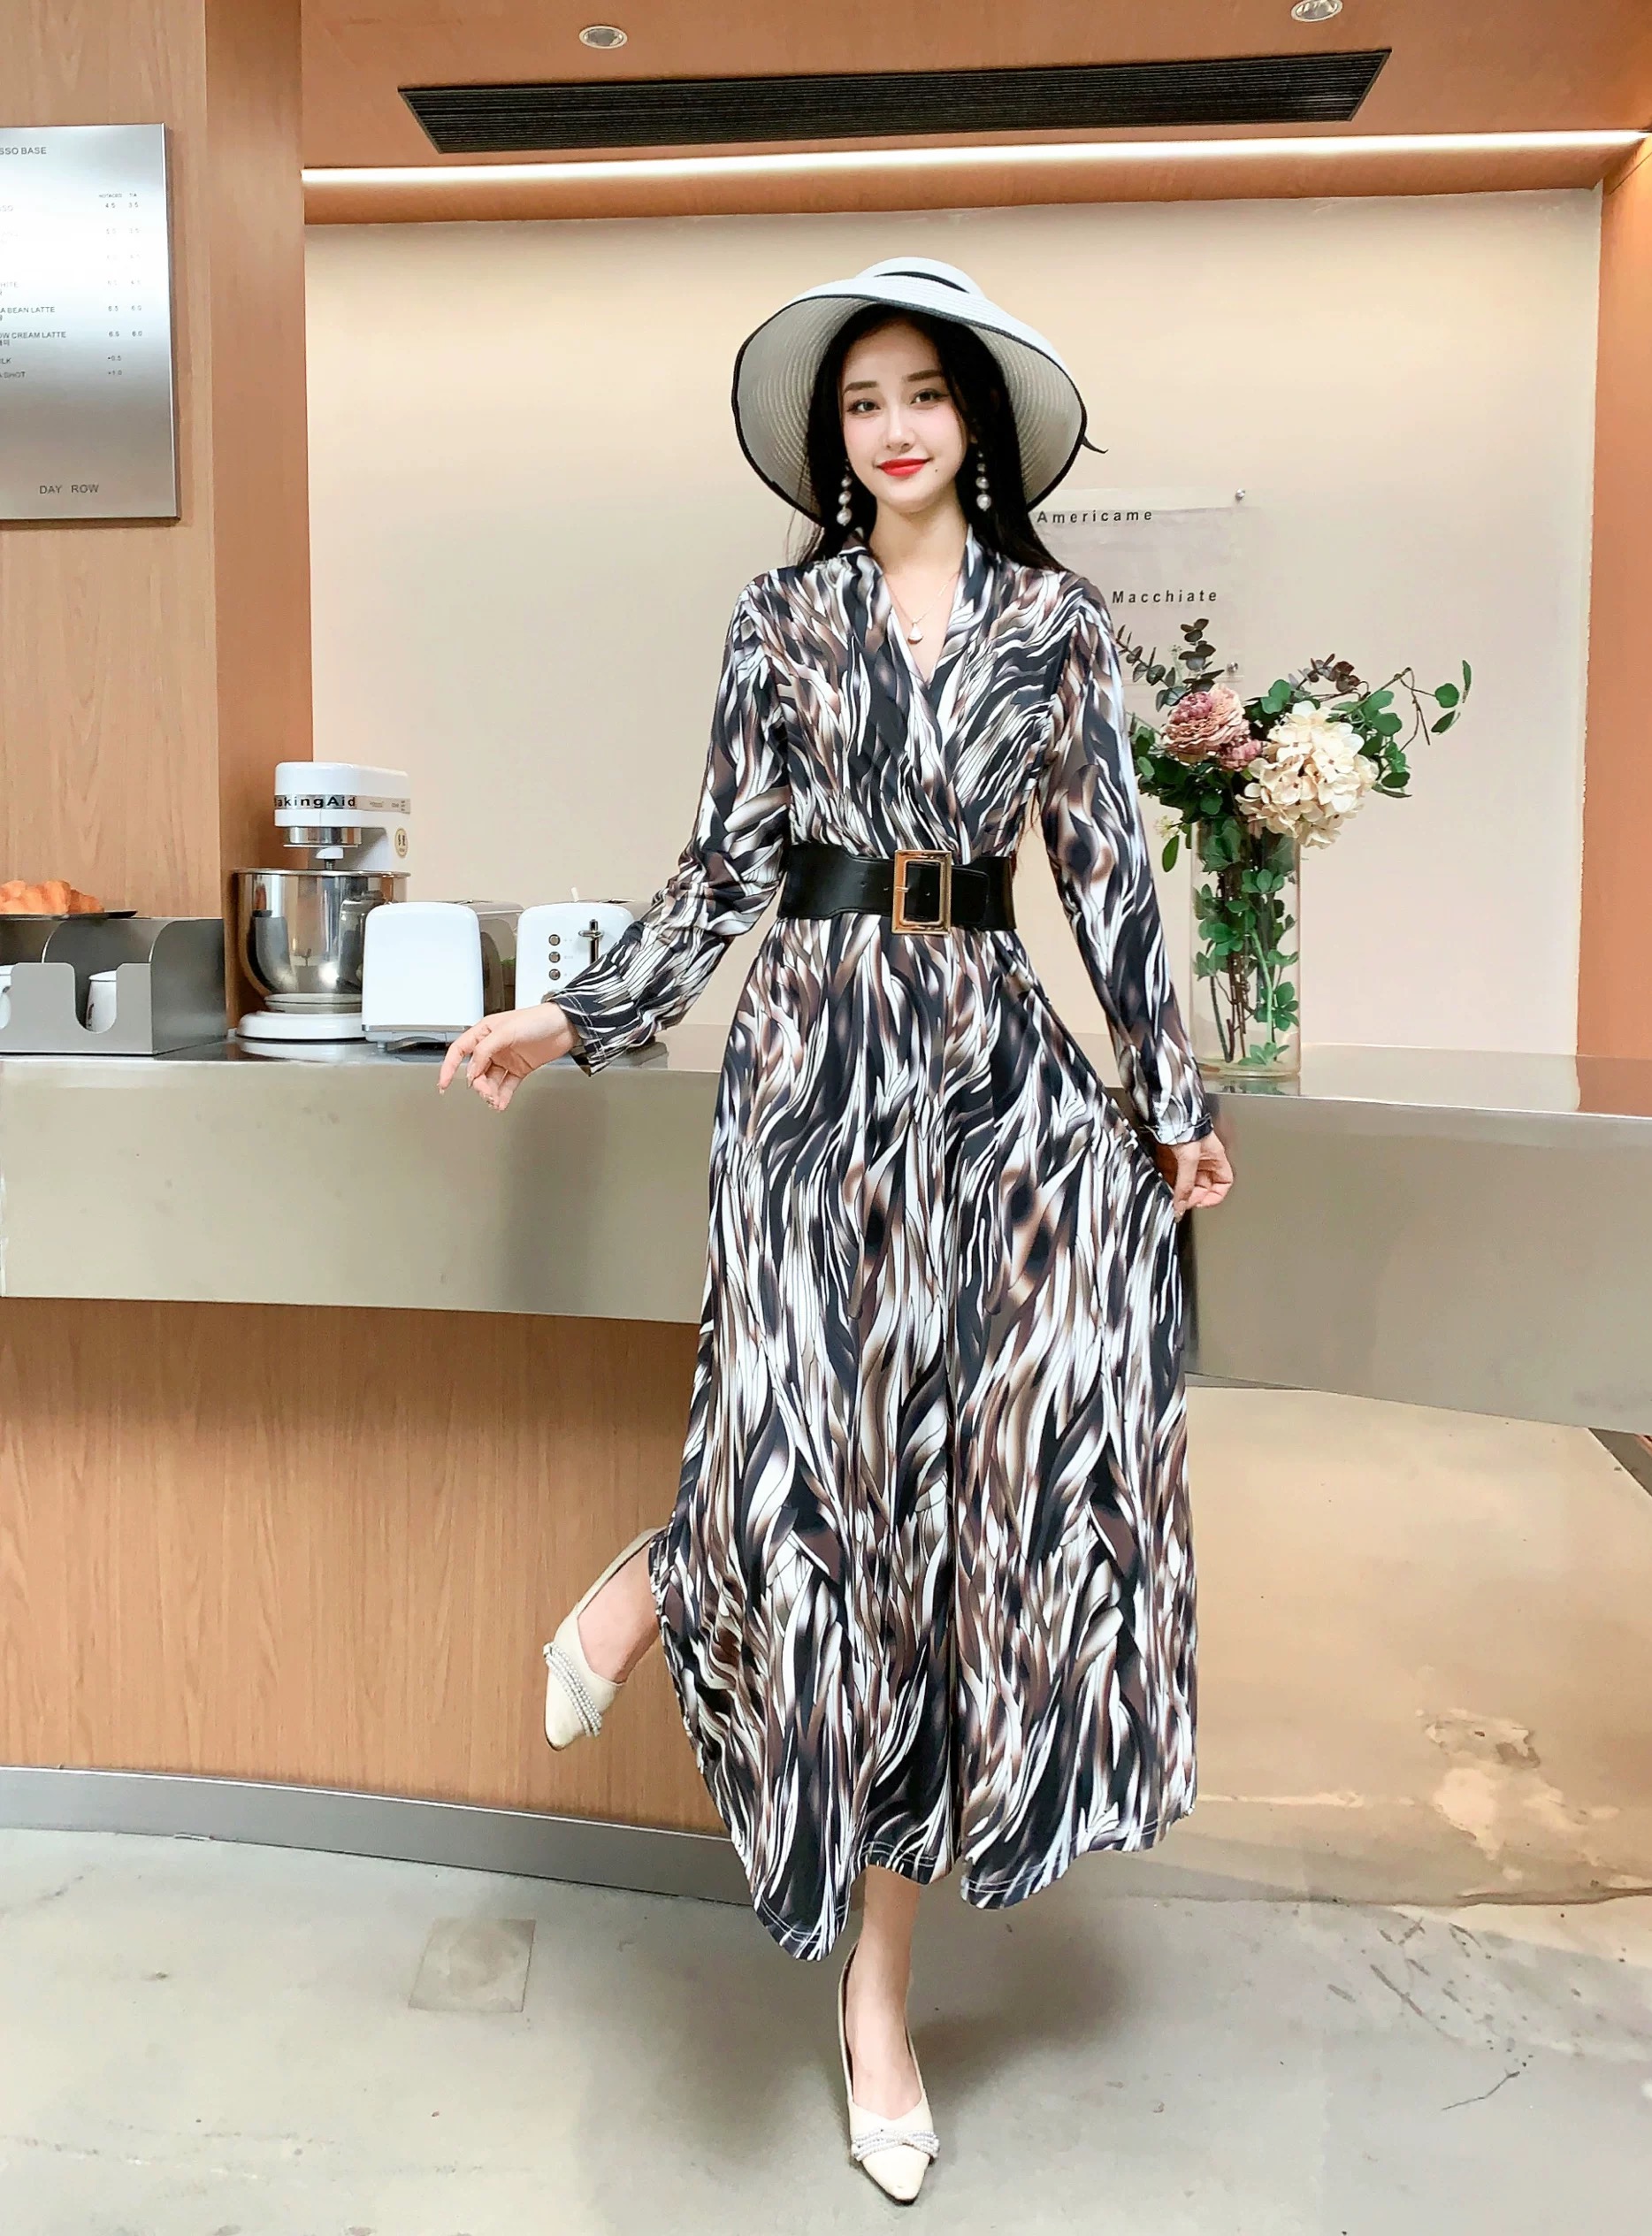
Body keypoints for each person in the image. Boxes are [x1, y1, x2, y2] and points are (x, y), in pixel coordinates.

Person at [439, 256, 1235, 2202]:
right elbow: (722, 866)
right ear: (833, 432)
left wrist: (1171, 1096)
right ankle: (669, 1571)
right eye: (862, 399)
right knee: (795, 1445)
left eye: (922, 394)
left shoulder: (1055, 626)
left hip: (986, 1073)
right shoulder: (777, 620)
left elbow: (1107, 875)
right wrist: (579, 1015)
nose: (892, 427)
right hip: (807, 1064)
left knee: (941, 1534)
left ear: (976, 420)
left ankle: (879, 2000)